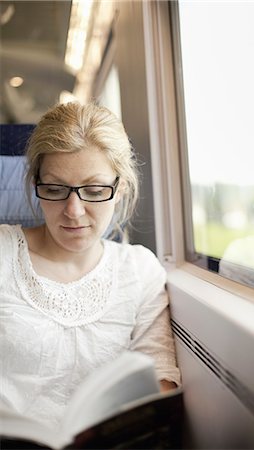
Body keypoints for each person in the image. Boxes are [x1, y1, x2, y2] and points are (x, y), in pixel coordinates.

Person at [0, 102, 181, 429]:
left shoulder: (139, 271)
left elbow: (160, 377)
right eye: (54, 190)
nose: (74, 211)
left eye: (95, 191)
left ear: (120, 187)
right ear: (35, 185)